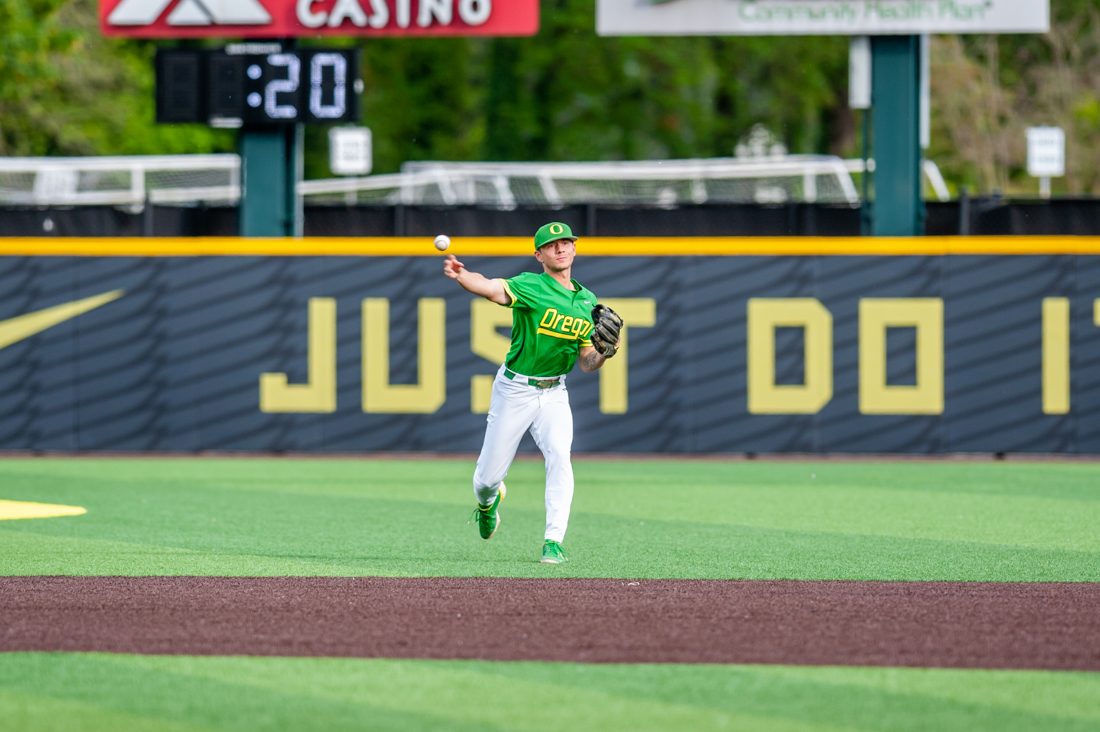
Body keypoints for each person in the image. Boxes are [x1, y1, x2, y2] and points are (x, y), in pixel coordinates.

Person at [443, 222, 621, 564]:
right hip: (515, 389)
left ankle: (553, 541)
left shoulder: (587, 301)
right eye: (552, 245)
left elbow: (586, 362)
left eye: (566, 242)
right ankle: (487, 502)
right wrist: (462, 276)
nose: (561, 248)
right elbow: (490, 288)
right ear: (539, 255)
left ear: (574, 249)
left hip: (555, 391)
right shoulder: (530, 285)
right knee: (487, 479)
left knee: (560, 457)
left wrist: (604, 352)